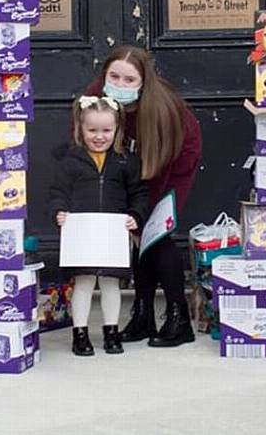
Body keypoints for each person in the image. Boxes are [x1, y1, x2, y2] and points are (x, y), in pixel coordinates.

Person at [82, 45, 203, 348]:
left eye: (129, 80)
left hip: (171, 164)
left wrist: (144, 214)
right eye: (115, 77)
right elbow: (85, 137)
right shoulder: (96, 96)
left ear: (143, 81)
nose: (119, 85)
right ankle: (143, 315)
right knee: (135, 236)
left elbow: (159, 167)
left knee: (155, 235)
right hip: (130, 167)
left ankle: (179, 320)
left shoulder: (161, 109)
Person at [50, 96, 148, 356]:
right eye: (92, 130)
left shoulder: (126, 161)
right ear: (80, 128)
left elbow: (138, 193)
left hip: (113, 235)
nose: (99, 136)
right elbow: (58, 192)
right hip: (81, 233)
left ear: (117, 129)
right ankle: (79, 333)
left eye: (106, 130)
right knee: (82, 284)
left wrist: (135, 215)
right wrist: (59, 211)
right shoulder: (70, 161)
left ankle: (111, 332)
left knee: (110, 284)